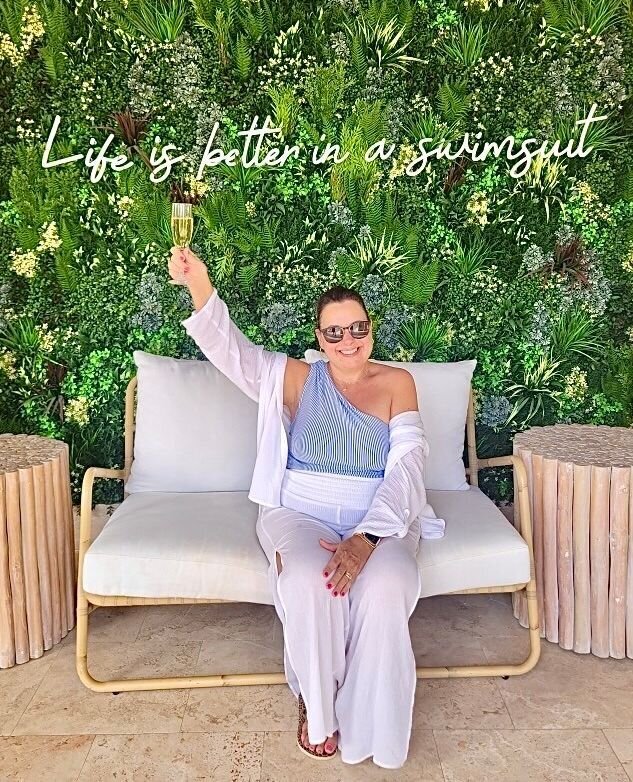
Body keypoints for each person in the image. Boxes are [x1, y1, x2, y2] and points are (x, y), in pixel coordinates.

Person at [169, 246, 446, 769]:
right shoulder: (296, 378)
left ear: (371, 330)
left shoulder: (397, 383)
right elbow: (234, 352)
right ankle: (318, 708)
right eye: (334, 332)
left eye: (357, 328)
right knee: (307, 580)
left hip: (379, 519)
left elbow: (409, 466)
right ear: (319, 338)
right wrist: (198, 284)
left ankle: (370, 723)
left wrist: (368, 538)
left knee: (387, 588)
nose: (348, 341)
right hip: (300, 513)